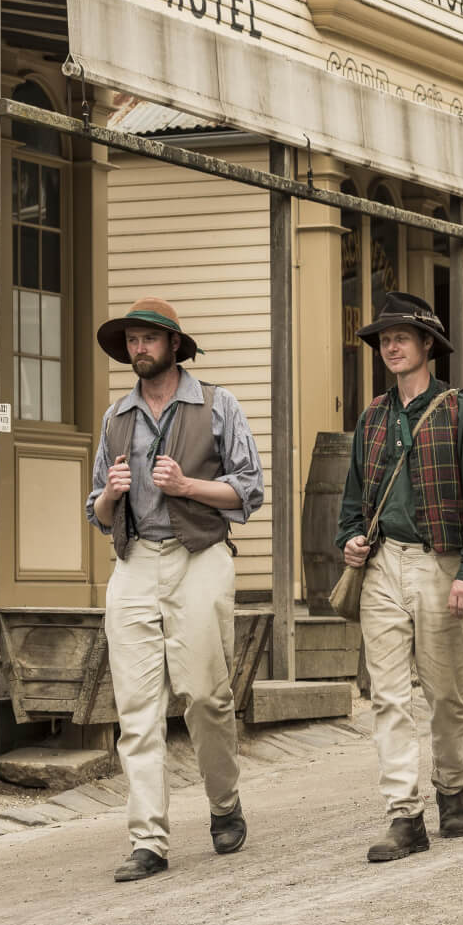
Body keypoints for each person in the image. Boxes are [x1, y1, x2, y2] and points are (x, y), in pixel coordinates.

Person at [86, 297, 264, 883]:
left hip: (200, 557)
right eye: (132, 340)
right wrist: (112, 493)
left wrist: (188, 485)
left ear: (173, 345)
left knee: (205, 696)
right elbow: (98, 512)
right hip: (135, 562)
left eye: (149, 339)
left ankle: (223, 803)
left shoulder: (217, 405)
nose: (139, 348)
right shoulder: (116, 418)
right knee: (136, 710)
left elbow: (249, 490)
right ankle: (148, 841)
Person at [337, 292, 463, 862]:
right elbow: (353, 497)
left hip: (442, 563)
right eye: (384, 337)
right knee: (387, 697)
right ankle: (403, 815)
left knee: (447, 695)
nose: (391, 345)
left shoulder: (461, 411)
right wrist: (352, 538)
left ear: (428, 344)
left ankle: (453, 790)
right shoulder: (372, 416)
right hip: (383, 564)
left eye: (402, 335)